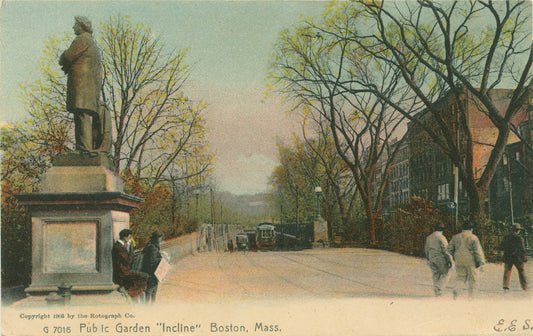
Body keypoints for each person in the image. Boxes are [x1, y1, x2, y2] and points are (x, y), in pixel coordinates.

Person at [59, 16, 103, 153]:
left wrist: (63, 57)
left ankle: (84, 149)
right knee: (82, 116)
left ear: (81, 26)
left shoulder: (82, 39)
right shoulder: (92, 43)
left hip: (81, 87)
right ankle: (83, 148)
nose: (73, 28)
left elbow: (67, 56)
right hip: (88, 89)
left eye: (75, 25)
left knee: (81, 116)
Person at [448, 220, 486, 299]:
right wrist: (481, 261)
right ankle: (471, 296)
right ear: (471, 228)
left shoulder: (456, 237)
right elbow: (477, 251)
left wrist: (454, 256)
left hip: (458, 259)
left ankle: (456, 290)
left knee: (461, 277)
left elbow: (449, 249)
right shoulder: (473, 238)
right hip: (470, 259)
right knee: (473, 279)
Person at [111, 229, 148, 300]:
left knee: (143, 276)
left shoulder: (121, 246)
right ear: (125, 237)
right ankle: (135, 293)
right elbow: (127, 260)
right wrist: (131, 250)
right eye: (129, 237)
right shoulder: (118, 247)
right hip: (122, 273)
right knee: (143, 276)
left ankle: (137, 293)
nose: (129, 239)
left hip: (126, 271)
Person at [425, 222, 453, 296]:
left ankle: (437, 290)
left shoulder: (429, 237)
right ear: (442, 229)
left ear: (434, 228)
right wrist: (450, 260)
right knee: (446, 273)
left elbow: (426, 249)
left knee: (436, 273)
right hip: (440, 258)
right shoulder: (441, 237)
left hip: (431, 257)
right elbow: (446, 250)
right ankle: (439, 287)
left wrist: (428, 258)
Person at [499, 223, 528, 292]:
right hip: (517, 257)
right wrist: (524, 258)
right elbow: (522, 249)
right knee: (521, 271)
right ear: (518, 230)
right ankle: (524, 287)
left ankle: (505, 287)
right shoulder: (519, 238)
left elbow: (501, 247)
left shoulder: (506, 237)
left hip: (508, 256)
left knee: (507, 271)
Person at [141, 230, 164, 304]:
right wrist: (161, 259)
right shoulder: (153, 247)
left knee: (151, 291)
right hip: (152, 272)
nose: (160, 240)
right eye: (160, 238)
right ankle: (149, 307)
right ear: (156, 238)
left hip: (150, 271)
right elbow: (152, 261)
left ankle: (150, 306)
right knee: (151, 291)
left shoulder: (150, 244)